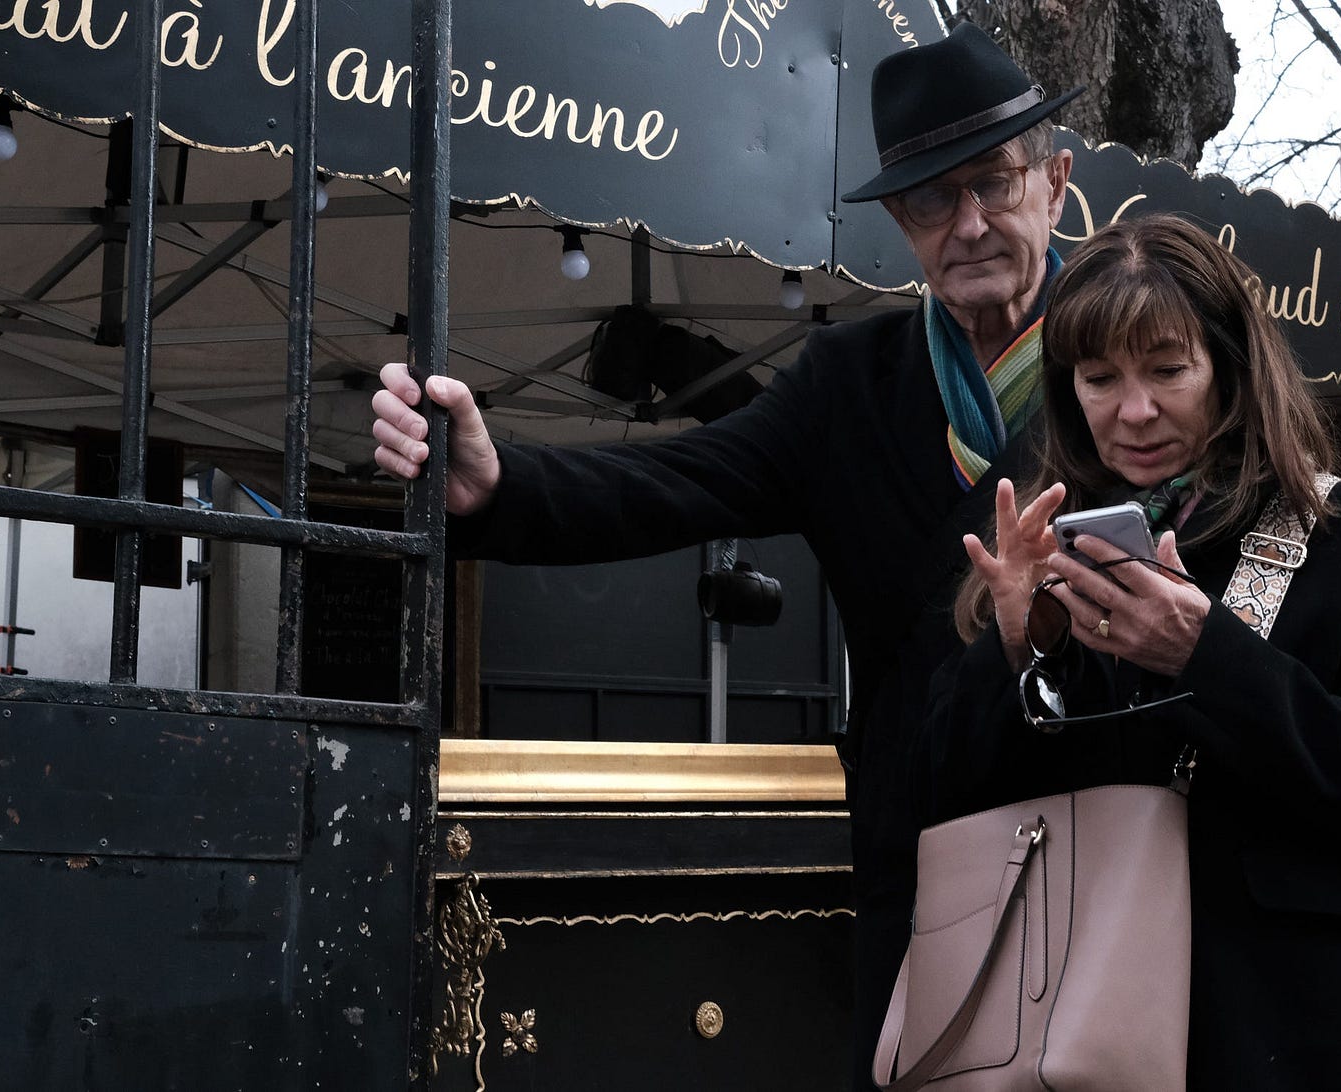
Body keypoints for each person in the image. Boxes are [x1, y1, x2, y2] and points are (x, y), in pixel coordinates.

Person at [372, 22, 1083, 1088]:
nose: (969, 222)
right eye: (933, 199)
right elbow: (671, 484)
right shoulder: (849, 383)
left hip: (1096, 843)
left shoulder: (1129, 362)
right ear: (901, 221)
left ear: (1055, 182)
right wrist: (495, 484)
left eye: (993, 182)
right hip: (919, 863)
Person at [923, 213, 1341, 1087]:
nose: (1135, 410)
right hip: (1072, 1032)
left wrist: (1206, 654)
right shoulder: (1046, 542)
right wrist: (1013, 643)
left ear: (1228, 368)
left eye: (1167, 369)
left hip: (1284, 1038)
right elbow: (946, 796)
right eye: (1100, 377)